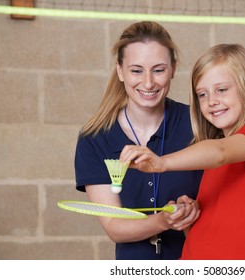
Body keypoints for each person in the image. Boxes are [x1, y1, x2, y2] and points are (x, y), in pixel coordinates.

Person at [119, 44, 245, 259]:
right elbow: (210, 234)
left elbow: (221, 151)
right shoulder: (212, 161)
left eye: (222, 90)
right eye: (202, 94)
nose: (211, 101)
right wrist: (189, 214)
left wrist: (162, 163)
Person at [74, 21, 203, 260]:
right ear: (120, 71)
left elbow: (239, 147)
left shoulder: (200, 124)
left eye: (158, 70)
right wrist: (163, 220)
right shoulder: (94, 138)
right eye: (136, 70)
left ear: (173, 69)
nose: (148, 83)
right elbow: (114, 226)